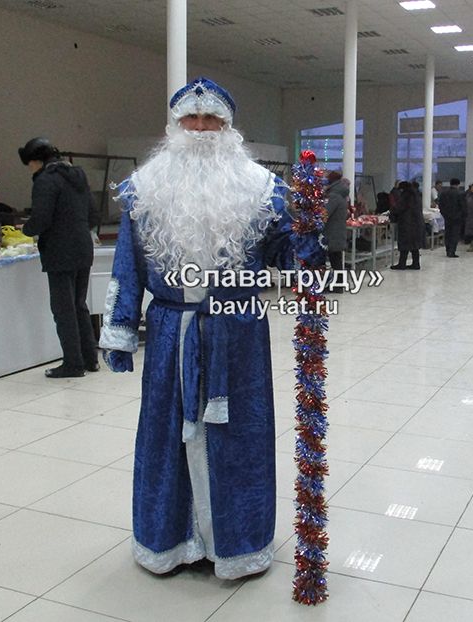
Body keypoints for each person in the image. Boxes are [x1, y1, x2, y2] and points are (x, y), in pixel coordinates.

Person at [98, 77, 305, 580]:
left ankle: (237, 545)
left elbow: (288, 255)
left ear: (229, 128)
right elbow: (127, 266)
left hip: (238, 334)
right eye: (191, 119)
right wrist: (120, 328)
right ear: (175, 126)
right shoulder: (145, 189)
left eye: (212, 119)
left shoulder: (262, 189)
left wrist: (308, 244)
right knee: (166, 436)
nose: (201, 128)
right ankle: (170, 540)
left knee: (241, 436)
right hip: (172, 331)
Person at [19, 137, 100, 378]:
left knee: (63, 309)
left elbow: (41, 218)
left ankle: (73, 364)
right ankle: (90, 359)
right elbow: (93, 214)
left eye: (30, 164)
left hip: (59, 251)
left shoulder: (45, 180)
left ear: (36, 160)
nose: (30, 169)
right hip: (83, 248)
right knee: (79, 305)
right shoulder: (78, 176)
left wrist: (26, 230)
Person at [323, 171, 349, 292]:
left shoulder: (333, 196)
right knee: (336, 260)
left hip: (332, 232)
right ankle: (339, 284)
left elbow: (325, 213)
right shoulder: (341, 195)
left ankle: (338, 285)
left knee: (335, 260)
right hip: (338, 231)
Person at [390, 181, 424, 270]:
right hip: (416, 223)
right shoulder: (417, 195)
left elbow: (399, 208)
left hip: (406, 223)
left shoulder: (406, 196)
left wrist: (392, 212)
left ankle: (402, 264)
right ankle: (416, 264)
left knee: (404, 245)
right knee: (414, 245)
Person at [438, 178, 466, 257]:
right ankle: (452, 251)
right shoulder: (460, 194)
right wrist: (462, 216)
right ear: (458, 184)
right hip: (457, 218)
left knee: (448, 234)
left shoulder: (443, 193)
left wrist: (444, 214)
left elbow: (441, 205)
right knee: (455, 235)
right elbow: (463, 207)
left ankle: (447, 250)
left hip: (447, 217)